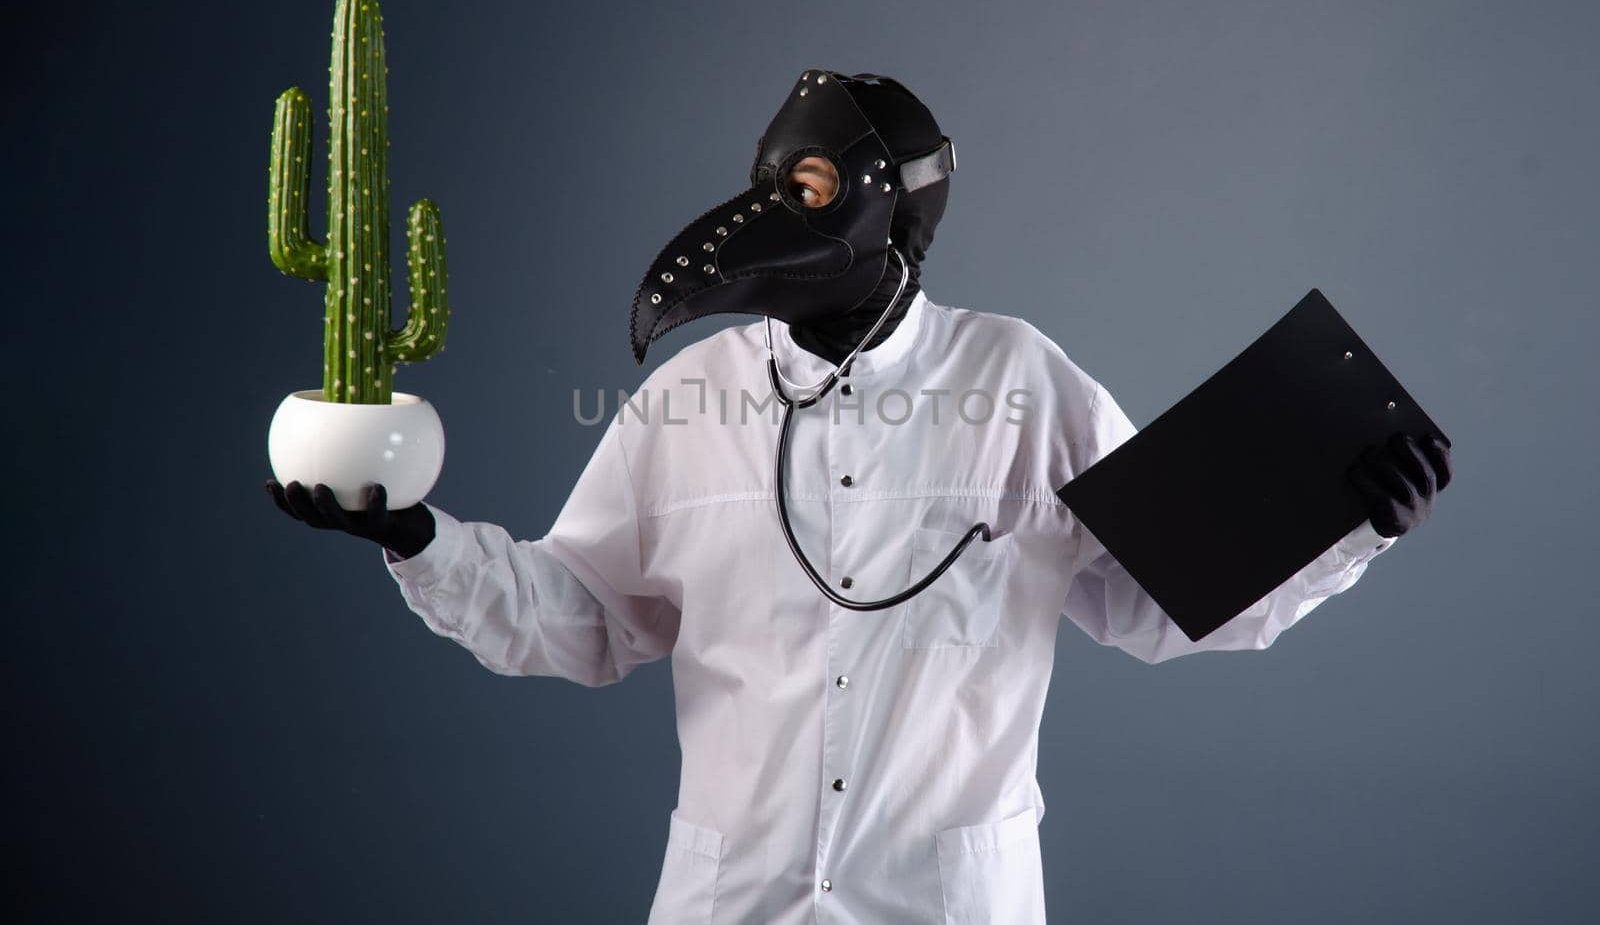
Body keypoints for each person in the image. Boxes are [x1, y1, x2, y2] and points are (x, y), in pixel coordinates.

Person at [267, 68, 1452, 924]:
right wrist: (418, 538)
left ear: (903, 221)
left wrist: (1342, 531)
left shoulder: (1022, 381)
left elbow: (1159, 601)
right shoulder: (692, 398)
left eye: (821, 189)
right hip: (731, 903)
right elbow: (580, 619)